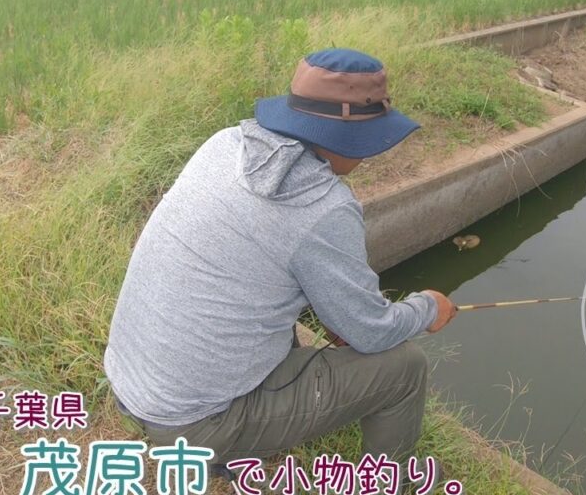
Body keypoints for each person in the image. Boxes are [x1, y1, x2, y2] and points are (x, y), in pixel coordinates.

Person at [103, 48, 457, 467]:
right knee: (405, 368)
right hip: (196, 427)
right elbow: (373, 333)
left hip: (130, 383)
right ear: (343, 138)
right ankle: (382, 489)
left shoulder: (227, 143)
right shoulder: (323, 207)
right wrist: (426, 308)